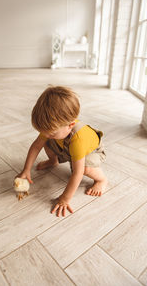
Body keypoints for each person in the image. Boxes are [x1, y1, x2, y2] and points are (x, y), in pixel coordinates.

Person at [15, 86, 107, 217]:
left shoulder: (79, 140)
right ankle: (54, 161)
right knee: (45, 141)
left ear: (70, 125)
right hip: (67, 146)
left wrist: (65, 199)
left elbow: (77, 173)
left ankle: (102, 180)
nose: (47, 134)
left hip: (92, 152)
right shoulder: (54, 129)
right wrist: (26, 170)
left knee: (85, 168)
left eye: (51, 133)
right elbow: (36, 146)